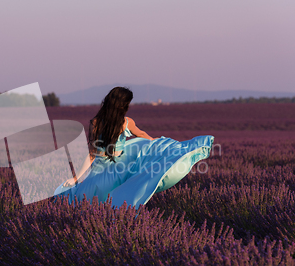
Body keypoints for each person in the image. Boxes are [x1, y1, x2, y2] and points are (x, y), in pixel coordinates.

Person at [53, 86, 214, 209]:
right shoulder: (126, 122)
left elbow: (92, 154)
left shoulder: (96, 123)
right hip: (120, 169)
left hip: (101, 171)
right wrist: (155, 143)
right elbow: (143, 136)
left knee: (82, 199)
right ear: (122, 106)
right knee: (120, 198)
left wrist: (77, 178)